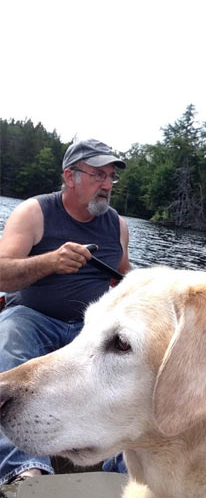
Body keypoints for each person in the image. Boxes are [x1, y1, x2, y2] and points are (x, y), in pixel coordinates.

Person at [0, 138, 132, 486]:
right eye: (98, 175)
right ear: (70, 177)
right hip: (32, 318)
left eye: (110, 177)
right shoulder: (34, 212)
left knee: (132, 366)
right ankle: (28, 476)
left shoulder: (117, 225)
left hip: (88, 328)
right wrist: (51, 261)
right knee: (8, 340)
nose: (107, 184)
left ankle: (126, 477)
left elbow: (125, 278)